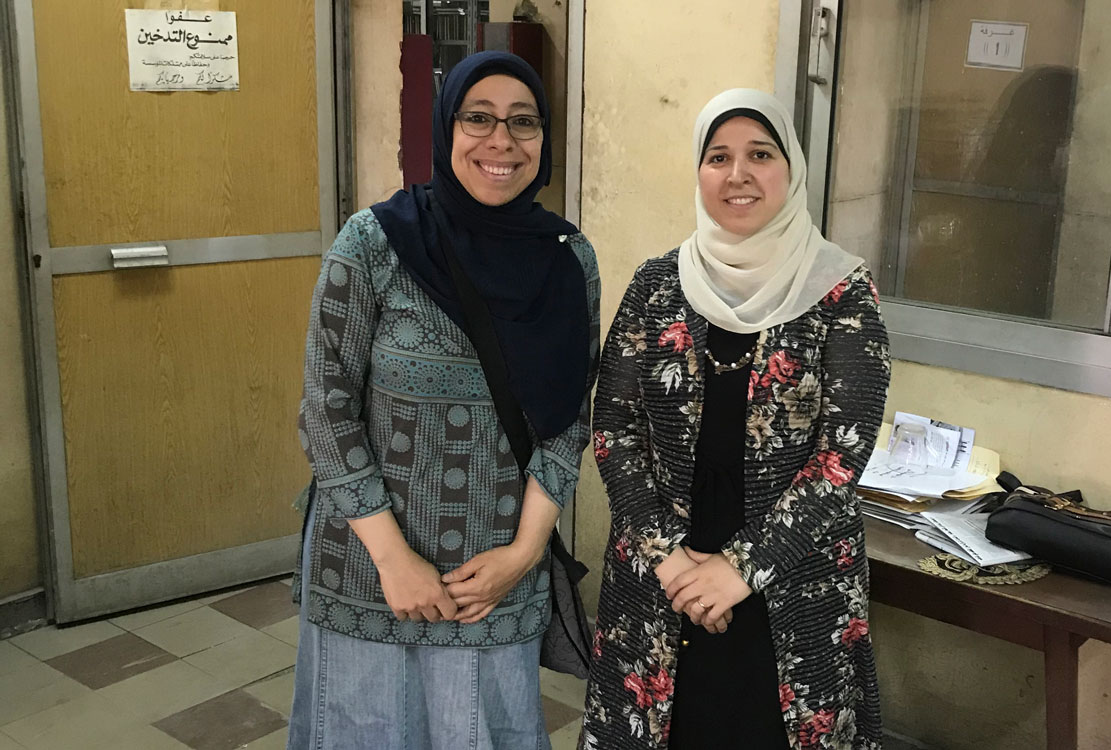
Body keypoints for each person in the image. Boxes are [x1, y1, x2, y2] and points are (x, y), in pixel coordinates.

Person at [287, 51, 599, 749]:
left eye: (523, 123)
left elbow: (568, 422)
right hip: (367, 568)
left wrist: (524, 553)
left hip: (492, 577)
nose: (501, 141)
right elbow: (326, 409)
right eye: (478, 118)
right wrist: (395, 560)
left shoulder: (566, 259)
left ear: (544, 140)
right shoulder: (371, 244)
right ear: (444, 127)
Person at [580, 89, 890, 750]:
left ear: (791, 169)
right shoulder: (658, 284)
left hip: (793, 586)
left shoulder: (841, 290)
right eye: (717, 156)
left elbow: (843, 451)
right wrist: (668, 559)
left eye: (759, 154)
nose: (737, 173)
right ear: (699, 172)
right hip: (662, 584)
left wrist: (741, 568)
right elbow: (612, 430)